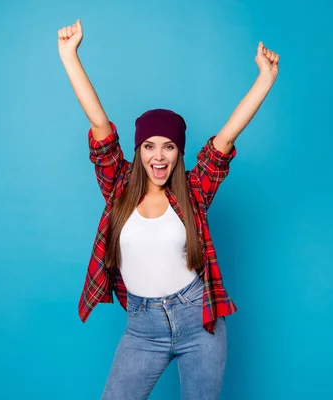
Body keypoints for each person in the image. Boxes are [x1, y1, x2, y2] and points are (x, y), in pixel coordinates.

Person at [58, 18, 279, 400]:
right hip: (143, 329)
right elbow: (98, 123)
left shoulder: (193, 192)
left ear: (178, 153)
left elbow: (226, 137)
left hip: (200, 322)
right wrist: (69, 55)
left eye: (168, 147)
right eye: (149, 146)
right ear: (138, 150)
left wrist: (265, 79)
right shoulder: (118, 187)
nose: (158, 156)